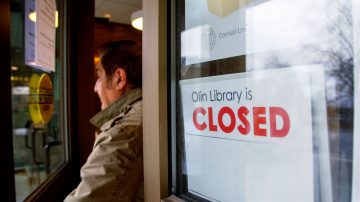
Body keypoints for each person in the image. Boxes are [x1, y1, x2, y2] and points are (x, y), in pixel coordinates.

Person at [65, 40, 143, 202]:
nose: (95, 87)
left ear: (119, 79)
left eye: (99, 76)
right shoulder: (151, 108)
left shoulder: (123, 132)